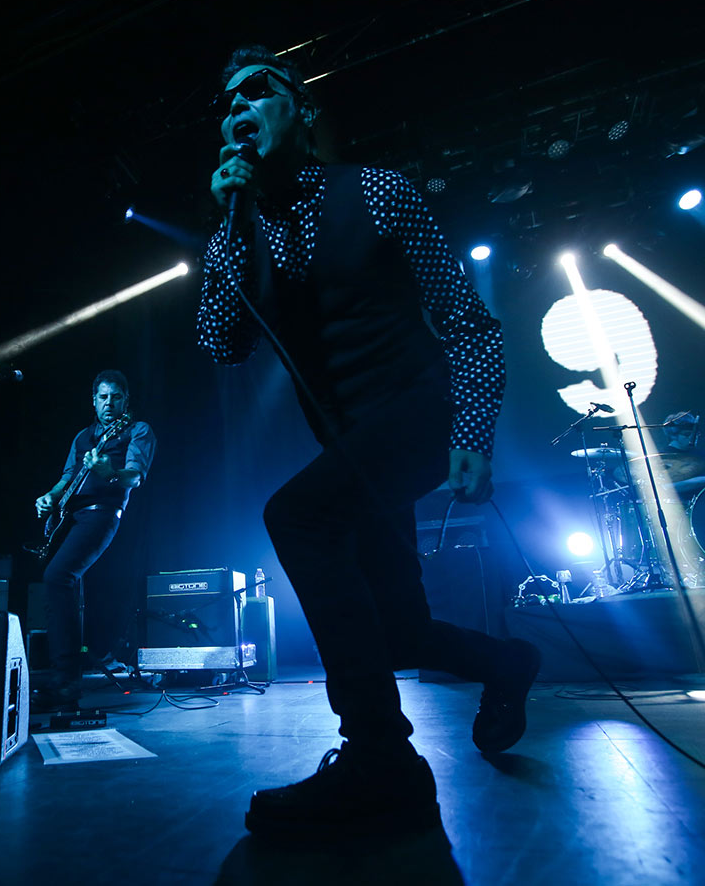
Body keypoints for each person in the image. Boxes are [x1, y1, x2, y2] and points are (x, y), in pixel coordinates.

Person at [197, 44, 540, 838]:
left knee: (298, 515)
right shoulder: (237, 231)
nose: (238, 106)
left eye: (258, 90)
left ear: (302, 109)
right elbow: (221, 344)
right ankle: (506, 661)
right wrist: (229, 223)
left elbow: (468, 320)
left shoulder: (378, 191)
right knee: (399, 630)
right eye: (227, 101)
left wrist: (473, 429)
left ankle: (381, 757)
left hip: (418, 411)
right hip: (355, 446)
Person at [32, 370, 156, 711]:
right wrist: (50, 496)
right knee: (57, 586)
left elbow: (135, 476)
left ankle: (66, 682)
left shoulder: (137, 430)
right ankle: (65, 677)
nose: (109, 403)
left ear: (126, 400)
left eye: (116, 396)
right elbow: (67, 477)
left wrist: (109, 472)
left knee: (58, 577)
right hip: (70, 516)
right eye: (103, 397)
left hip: (102, 513)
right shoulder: (83, 437)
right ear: (93, 401)